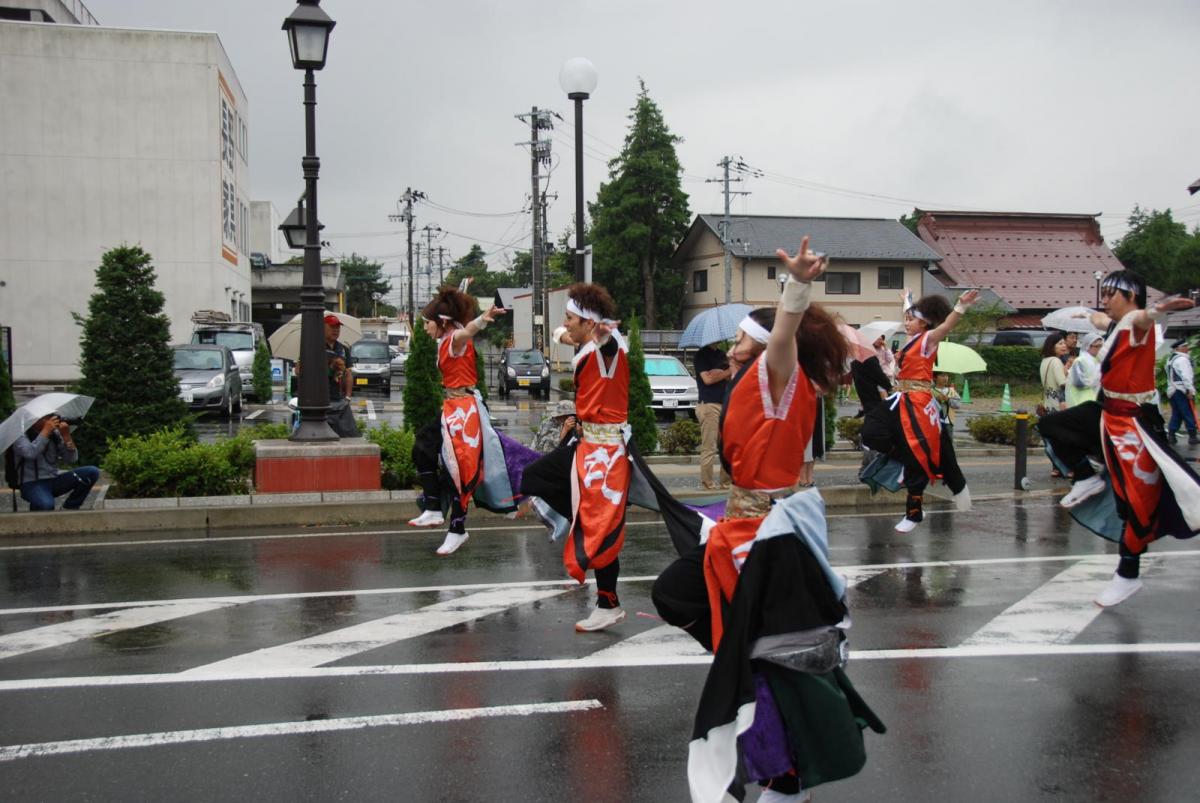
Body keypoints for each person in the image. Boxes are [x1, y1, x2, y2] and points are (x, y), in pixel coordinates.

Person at [652, 238, 882, 803]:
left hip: (765, 542)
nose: (731, 349)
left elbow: (782, 338)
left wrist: (796, 287)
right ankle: (742, 666)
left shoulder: (779, 378)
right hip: (745, 531)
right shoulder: (754, 384)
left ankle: (787, 781)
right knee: (687, 602)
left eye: (740, 341)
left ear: (765, 346)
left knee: (773, 662)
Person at [1040, 270, 1198, 606]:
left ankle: (1127, 575)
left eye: (1111, 294)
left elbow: (1143, 318)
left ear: (1131, 296)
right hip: (1106, 414)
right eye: (1105, 293)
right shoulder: (1114, 323)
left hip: (1133, 425)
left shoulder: (1138, 325)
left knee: (1137, 505)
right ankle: (1085, 477)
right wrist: (1086, 314)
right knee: (1052, 425)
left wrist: (1159, 309)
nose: (1105, 300)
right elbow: (1100, 319)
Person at [518, 283, 635, 632]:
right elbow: (568, 336)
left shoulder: (609, 350)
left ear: (590, 323)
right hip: (587, 447)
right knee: (534, 477)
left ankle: (608, 604)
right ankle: (576, 522)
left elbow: (608, 345)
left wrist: (604, 333)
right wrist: (561, 334)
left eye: (570, 318)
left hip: (606, 455)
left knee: (601, 531)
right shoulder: (585, 342)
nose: (565, 323)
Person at [860, 288, 978, 532]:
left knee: (921, 453)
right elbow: (912, 315)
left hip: (918, 402)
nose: (906, 323)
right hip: (899, 398)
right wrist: (907, 301)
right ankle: (904, 456)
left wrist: (961, 307)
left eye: (910, 320)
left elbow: (946, 326)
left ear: (924, 323)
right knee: (870, 433)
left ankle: (914, 513)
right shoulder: (912, 338)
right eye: (906, 319)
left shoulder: (928, 340)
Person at [407, 286, 507, 555]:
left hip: (465, 411)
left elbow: (466, 333)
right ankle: (432, 507)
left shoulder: (454, 339)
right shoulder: (445, 338)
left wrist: (481, 320)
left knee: (458, 471)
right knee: (423, 448)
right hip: (452, 407)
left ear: (441, 322)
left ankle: (457, 529)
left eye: (427, 323)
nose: (425, 328)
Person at [13, 414, 100, 511]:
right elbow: (30, 453)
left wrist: (66, 437)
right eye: (47, 417)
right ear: (36, 419)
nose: (52, 420)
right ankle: (38, 507)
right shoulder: (21, 435)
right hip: (32, 483)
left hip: (54, 479)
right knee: (45, 505)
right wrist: (45, 431)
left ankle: (70, 507)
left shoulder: (54, 434)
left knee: (91, 472)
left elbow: (71, 459)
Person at [694, 342, 733, 490]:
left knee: (727, 446)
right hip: (709, 405)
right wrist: (725, 372)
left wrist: (723, 372)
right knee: (709, 446)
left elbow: (731, 377)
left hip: (725, 403)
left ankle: (726, 482)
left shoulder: (723, 355)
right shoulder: (701, 355)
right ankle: (707, 482)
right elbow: (708, 379)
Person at [1165, 338, 1198, 445]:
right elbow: (1186, 376)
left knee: (1177, 413)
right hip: (1182, 390)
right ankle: (1192, 436)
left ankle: (1171, 435)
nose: (1187, 348)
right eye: (1185, 346)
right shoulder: (1183, 360)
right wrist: (1190, 390)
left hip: (1172, 390)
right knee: (1188, 412)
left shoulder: (1170, 359)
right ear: (1179, 348)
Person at [1065, 332, 1103, 407]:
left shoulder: (1097, 360)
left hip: (1092, 400)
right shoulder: (1080, 361)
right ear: (1088, 346)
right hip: (1079, 402)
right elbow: (1078, 382)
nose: (1100, 349)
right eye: (1097, 346)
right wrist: (1096, 380)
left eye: (1101, 346)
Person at [1039, 333, 1069, 414]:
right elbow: (1063, 384)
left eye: (1064, 343)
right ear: (1052, 346)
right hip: (1058, 404)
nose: (1064, 346)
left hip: (1048, 402)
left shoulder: (1045, 360)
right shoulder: (1056, 361)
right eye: (1060, 343)